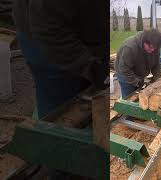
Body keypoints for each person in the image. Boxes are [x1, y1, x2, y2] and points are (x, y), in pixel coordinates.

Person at [12, 0, 107, 179]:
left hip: (80, 31)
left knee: (89, 106)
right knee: (59, 120)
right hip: (50, 39)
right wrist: (89, 66)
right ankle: (59, 169)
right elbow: (48, 27)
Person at [115, 29, 161, 99]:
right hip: (125, 75)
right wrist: (137, 82)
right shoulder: (129, 47)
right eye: (150, 47)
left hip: (139, 73)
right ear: (145, 42)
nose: (152, 50)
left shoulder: (154, 48)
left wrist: (157, 78)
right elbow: (125, 69)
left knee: (141, 96)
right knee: (129, 98)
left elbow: (156, 65)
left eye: (154, 48)